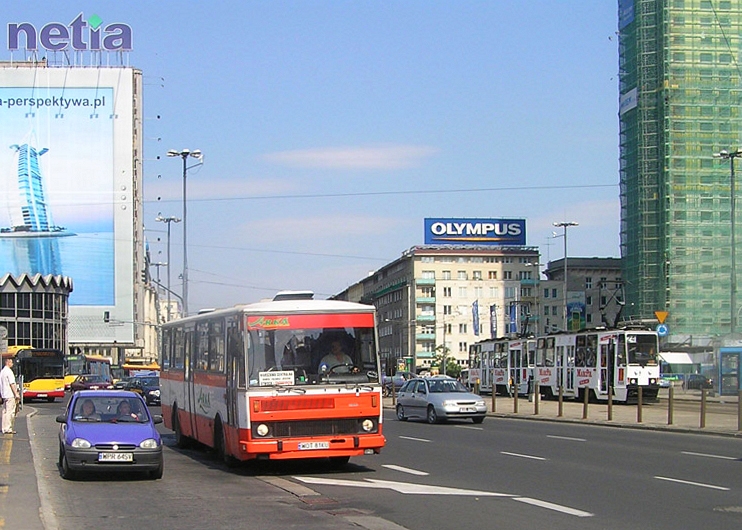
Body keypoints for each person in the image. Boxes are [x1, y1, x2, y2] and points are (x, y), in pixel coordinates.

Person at [1, 357, 21, 435]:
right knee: (10, 412)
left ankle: (4, 427)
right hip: (10, 394)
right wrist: (16, 393)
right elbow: (12, 384)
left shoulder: (2, 371)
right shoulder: (9, 372)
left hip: (4, 394)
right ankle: (8, 428)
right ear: (8, 362)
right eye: (12, 362)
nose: (12, 364)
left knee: (5, 412)